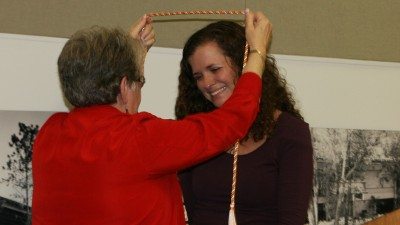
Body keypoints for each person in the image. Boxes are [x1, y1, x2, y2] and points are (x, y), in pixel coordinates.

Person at [32, 11, 272, 225]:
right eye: (138, 82)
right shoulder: (139, 138)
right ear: (125, 85)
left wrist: (129, 55)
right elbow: (231, 121)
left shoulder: (49, 135)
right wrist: (257, 52)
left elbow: (113, 114)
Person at [175, 19, 313, 225]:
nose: (207, 83)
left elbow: (292, 219)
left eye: (214, 69)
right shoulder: (196, 131)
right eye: (198, 76)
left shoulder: (289, 132)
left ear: (243, 64)